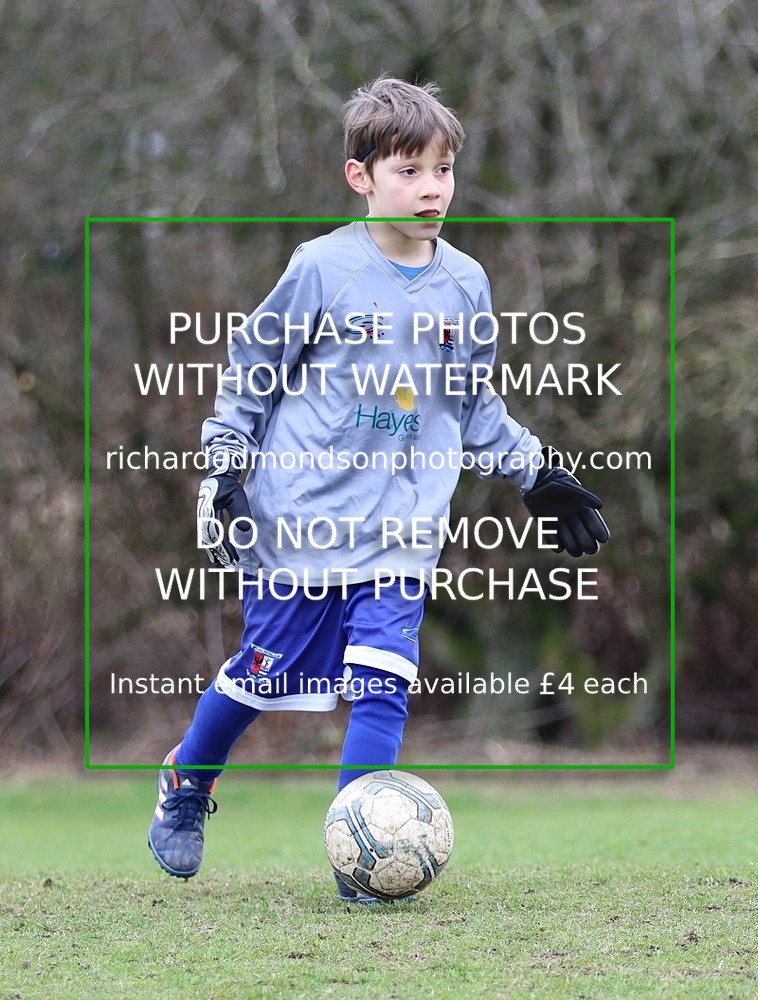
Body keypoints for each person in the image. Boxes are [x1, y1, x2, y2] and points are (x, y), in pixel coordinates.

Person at [147, 76, 609, 901]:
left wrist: (534, 471)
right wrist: (223, 466)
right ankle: (188, 780)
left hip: (402, 533)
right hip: (304, 525)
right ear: (359, 177)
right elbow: (251, 376)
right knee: (261, 676)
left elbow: (470, 405)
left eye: (443, 169)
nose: (432, 188)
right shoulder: (320, 269)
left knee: (382, 680)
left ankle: (356, 862)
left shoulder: (466, 284)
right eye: (409, 169)